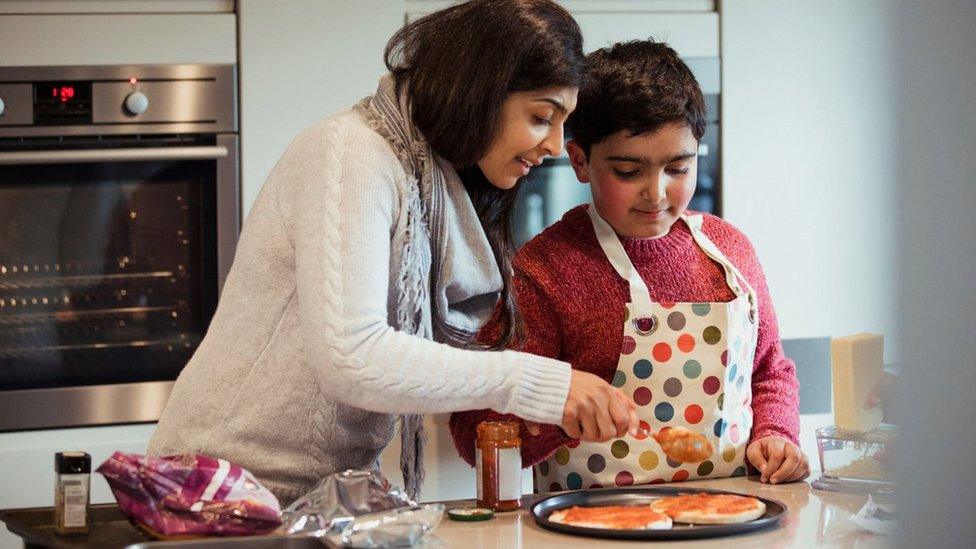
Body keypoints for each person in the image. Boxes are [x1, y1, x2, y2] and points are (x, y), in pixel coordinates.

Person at [147, 0, 638, 505]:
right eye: (541, 117)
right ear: (480, 92)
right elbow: (351, 356)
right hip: (218, 487)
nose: (556, 145)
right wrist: (544, 384)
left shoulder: (438, 183)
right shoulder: (350, 154)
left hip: (320, 496)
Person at [451, 40, 809, 490]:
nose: (657, 193)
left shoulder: (729, 249)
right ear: (580, 160)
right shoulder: (544, 273)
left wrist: (776, 435)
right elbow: (473, 432)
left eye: (678, 168)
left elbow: (770, 370)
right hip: (589, 528)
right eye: (627, 171)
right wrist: (560, 408)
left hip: (728, 518)